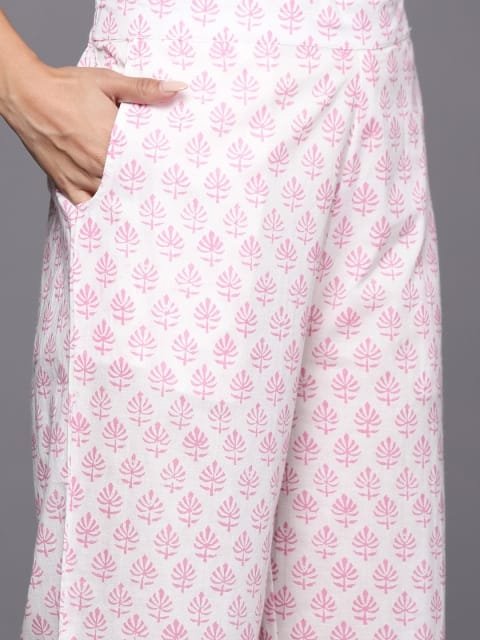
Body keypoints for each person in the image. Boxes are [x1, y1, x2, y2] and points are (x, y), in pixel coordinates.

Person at [1, 2, 446, 639]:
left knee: (367, 607)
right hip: (196, 99)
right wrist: (18, 84)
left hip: (377, 91)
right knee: (157, 609)